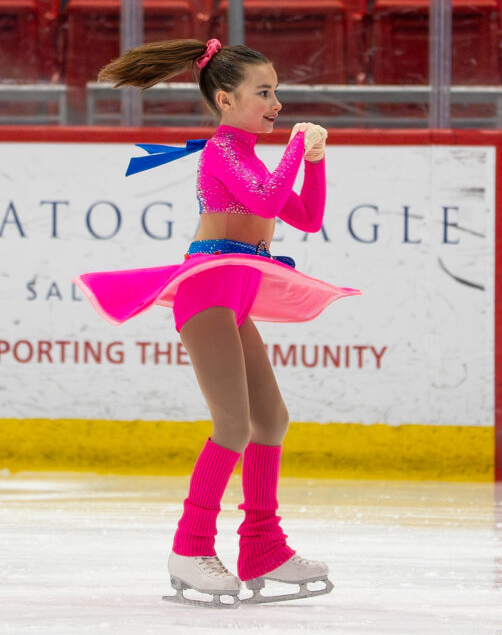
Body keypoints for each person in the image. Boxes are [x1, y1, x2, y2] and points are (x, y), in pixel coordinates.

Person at [75, 38, 359, 608]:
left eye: (276, 92)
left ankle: (263, 547)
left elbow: (306, 215)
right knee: (232, 425)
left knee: (270, 419)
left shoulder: (250, 156)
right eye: (264, 93)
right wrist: (296, 148)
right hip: (208, 293)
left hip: (237, 294)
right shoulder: (222, 152)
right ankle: (190, 547)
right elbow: (269, 200)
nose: (276, 103)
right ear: (226, 100)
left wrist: (316, 162)